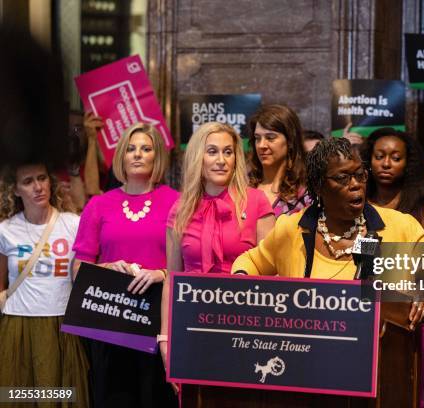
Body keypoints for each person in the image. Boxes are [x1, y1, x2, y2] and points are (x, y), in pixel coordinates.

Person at [232, 137, 424, 323]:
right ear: (319, 187)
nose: (355, 185)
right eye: (343, 178)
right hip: (310, 352)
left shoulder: (399, 226)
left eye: (360, 175)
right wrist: (241, 282)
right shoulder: (292, 229)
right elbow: (250, 262)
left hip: (379, 353)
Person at [160, 122, 275, 392]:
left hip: (246, 324)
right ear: (198, 157)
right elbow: (172, 279)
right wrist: (165, 340)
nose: (221, 160)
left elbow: (273, 276)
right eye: (212, 152)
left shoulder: (257, 202)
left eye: (228, 152)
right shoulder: (180, 209)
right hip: (192, 324)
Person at [72, 122, 178, 408]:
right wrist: (106, 268)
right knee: (113, 397)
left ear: (158, 157)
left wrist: (162, 273)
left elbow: (188, 267)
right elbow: (78, 270)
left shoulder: (177, 202)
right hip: (109, 321)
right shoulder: (98, 205)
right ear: (121, 155)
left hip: (159, 321)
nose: (138, 154)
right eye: (131, 149)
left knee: (157, 397)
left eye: (146, 148)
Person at [0, 163, 89, 407]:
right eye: (28, 182)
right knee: (17, 396)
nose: (38, 187)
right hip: (18, 325)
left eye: (42, 178)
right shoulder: (6, 230)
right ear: (16, 190)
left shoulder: (72, 224)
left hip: (62, 322)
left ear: (51, 182)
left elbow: (85, 273)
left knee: (61, 397)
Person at [363, 127, 424, 242]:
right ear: (369, 161)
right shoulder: (359, 206)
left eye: (396, 158)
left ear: (408, 164)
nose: (386, 164)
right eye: (379, 157)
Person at [247, 104, 311, 216]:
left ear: (290, 141)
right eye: (257, 138)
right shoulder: (245, 186)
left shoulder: (305, 193)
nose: (261, 145)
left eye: (270, 138)